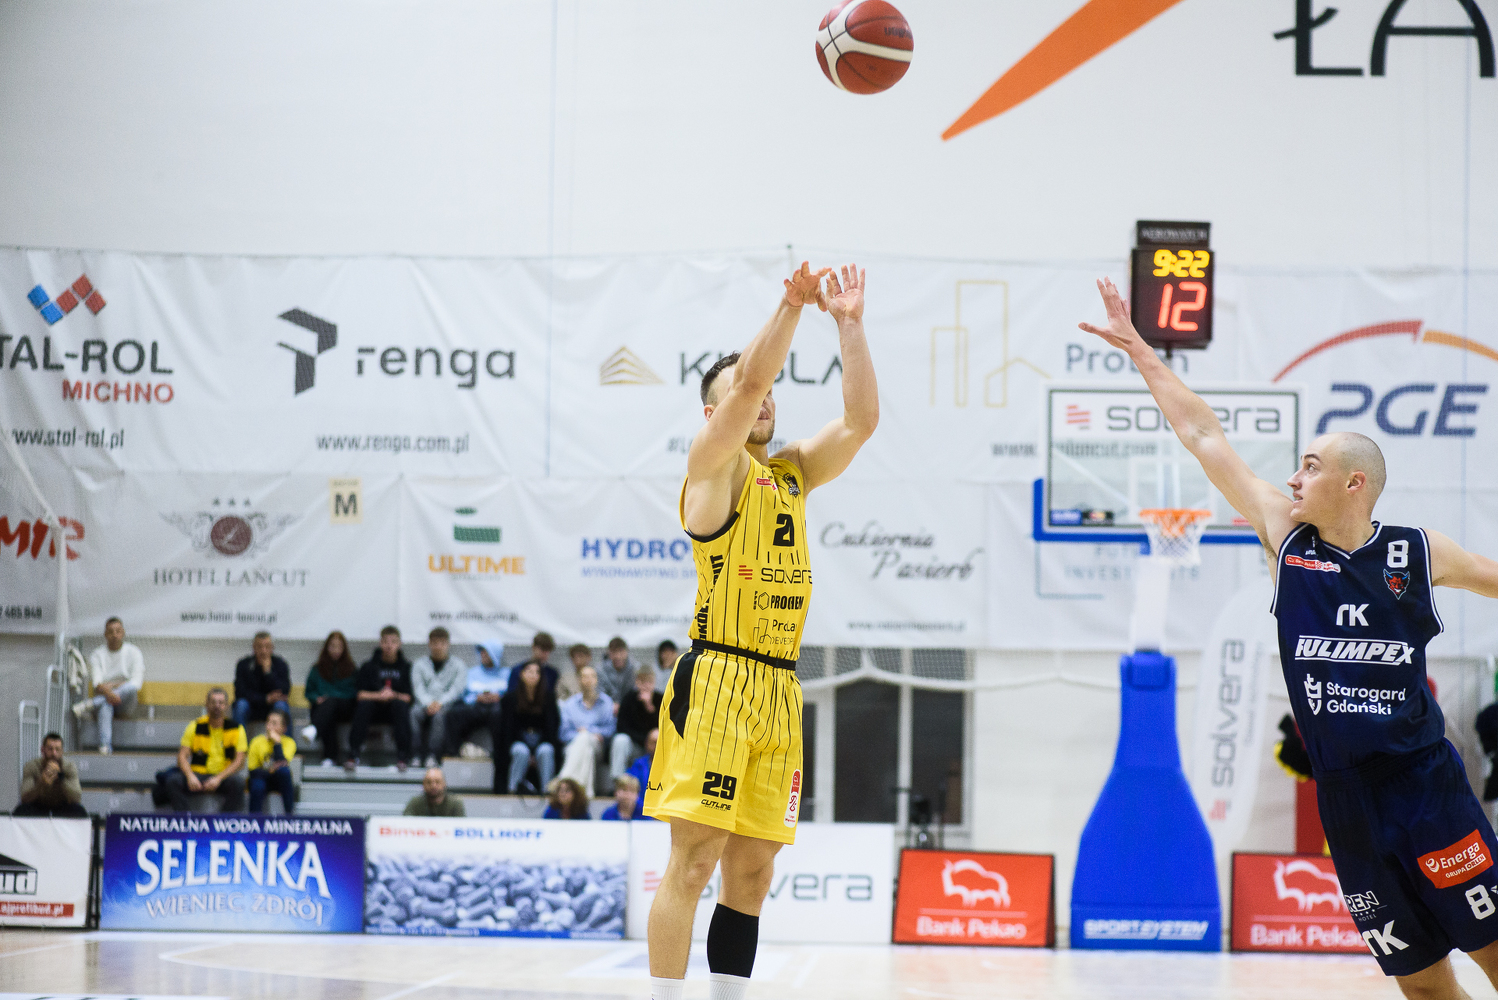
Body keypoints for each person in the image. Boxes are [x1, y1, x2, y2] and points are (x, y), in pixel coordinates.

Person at [1079, 277, 1498, 1000]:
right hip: (1347, 800)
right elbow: (1204, 435)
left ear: (1355, 483)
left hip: (1425, 787)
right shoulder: (1286, 538)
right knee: (1423, 987)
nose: (1294, 477)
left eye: (1311, 466)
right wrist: (1143, 353)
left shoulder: (1420, 552)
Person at [647, 262, 876, 1000]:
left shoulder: (792, 473)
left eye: (776, 392)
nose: (765, 398)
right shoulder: (711, 467)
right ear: (711, 414)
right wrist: (791, 306)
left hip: (779, 687)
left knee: (752, 872)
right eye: (750, 393)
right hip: (718, 678)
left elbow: (861, 423)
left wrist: (849, 326)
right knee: (694, 862)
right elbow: (746, 384)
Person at [165, 688, 248, 812]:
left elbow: (240, 761)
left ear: (226, 706)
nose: (217, 706)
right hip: (198, 775)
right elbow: (182, 756)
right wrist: (190, 776)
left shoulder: (237, 729)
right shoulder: (195, 726)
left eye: (221, 702)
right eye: (213, 702)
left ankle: (224, 820)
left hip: (223, 777)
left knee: (238, 783)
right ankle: (185, 819)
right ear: (207, 704)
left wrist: (218, 778)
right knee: (173, 781)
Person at [347, 625, 413, 773]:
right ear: (380, 643)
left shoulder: (406, 667)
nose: (389, 646)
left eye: (393, 642)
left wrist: (393, 695)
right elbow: (360, 694)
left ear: (399, 644)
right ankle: (353, 755)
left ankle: (403, 757)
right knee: (364, 705)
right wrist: (379, 695)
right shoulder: (369, 666)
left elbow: (408, 697)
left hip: (395, 712)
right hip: (373, 711)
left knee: (400, 705)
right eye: (385, 642)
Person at [75, 617, 144, 754]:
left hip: (126, 703)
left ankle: (92, 703)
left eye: (118, 631)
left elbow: (136, 683)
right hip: (105, 698)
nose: (115, 635)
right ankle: (105, 747)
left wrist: (111, 687)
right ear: (105, 634)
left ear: (123, 632)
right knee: (107, 704)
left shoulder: (134, 652)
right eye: (111, 632)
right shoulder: (97, 654)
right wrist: (112, 691)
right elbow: (97, 684)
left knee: (130, 688)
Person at [498, 661, 561, 794]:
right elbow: (508, 729)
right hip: (518, 741)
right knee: (521, 751)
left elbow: (552, 728)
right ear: (522, 674)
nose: (533, 675)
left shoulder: (549, 698)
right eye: (529, 671)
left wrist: (535, 752)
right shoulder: (510, 698)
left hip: (542, 741)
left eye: (537, 672)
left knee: (546, 750)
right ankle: (513, 790)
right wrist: (529, 753)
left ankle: (547, 791)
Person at [408, 627, 468, 768]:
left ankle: (433, 755)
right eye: (435, 643)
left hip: (447, 705)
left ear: (448, 644)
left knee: (439, 716)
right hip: (424, 704)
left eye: (442, 643)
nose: (438, 647)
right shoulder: (419, 664)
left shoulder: (458, 665)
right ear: (429, 644)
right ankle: (415, 755)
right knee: (413, 713)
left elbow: (456, 689)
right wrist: (428, 703)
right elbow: (418, 688)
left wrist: (440, 703)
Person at [558, 661, 616, 794]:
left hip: (599, 747)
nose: (588, 680)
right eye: (584, 676)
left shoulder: (606, 702)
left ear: (596, 680)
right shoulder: (570, 704)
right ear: (579, 680)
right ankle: (586, 792)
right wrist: (583, 735)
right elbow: (563, 734)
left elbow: (611, 729)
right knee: (586, 749)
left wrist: (589, 732)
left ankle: (564, 779)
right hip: (573, 746)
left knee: (586, 739)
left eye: (592, 676)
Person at [444, 642, 510, 758]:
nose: (483, 655)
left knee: (499, 715)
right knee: (453, 714)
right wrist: (476, 697)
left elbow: (511, 694)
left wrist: (500, 697)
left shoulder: (506, 673)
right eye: (481, 652)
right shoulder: (472, 672)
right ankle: (452, 752)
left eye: (486, 653)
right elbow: (463, 694)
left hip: (497, 707)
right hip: (476, 706)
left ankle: (500, 755)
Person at [305, 630, 359, 766]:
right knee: (326, 710)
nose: (336, 650)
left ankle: (314, 729)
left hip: (345, 708)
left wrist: (330, 698)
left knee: (330, 703)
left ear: (344, 648)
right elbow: (309, 692)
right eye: (332, 646)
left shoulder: (351, 668)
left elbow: (354, 692)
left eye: (339, 646)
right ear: (327, 647)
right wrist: (316, 698)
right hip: (324, 708)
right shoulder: (317, 669)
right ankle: (330, 758)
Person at [14, 733, 86, 818]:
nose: (54, 753)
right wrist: (42, 782)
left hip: (61, 806)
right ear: (43, 750)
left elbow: (76, 797)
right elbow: (24, 798)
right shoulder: (32, 766)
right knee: (21, 810)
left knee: (79, 811)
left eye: (57, 749)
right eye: (50, 749)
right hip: (39, 806)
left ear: (62, 751)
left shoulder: (69, 767)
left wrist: (60, 778)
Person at [232, 631, 291, 729]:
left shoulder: (280, 664)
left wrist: (268, 673)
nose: (263, 651)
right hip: (252, 706)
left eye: (267, 647)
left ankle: (284, 739)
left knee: (282, 705)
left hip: (272, 708)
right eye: (259, 647)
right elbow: (240, 692)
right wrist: (265, 699)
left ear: (272, 648)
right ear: (254, 648)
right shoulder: (243, 664)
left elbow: (284, 691)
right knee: (240, 705)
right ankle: (238, 738)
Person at [613, 665, 662, 781]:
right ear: (636, 682)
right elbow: (621, 727)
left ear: (654, 682)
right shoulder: (629, 698)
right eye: (642, 682)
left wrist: (649, 707)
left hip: (656, 744)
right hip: (635, 744)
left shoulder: (660, 699)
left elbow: (664, 726)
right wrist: (643, 740)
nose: (645, 686)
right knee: (620, 740)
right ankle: (618, 781)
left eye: (649, 682)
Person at [246, 708, 297, 814]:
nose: (269, 726)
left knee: (284, 772)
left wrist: (277, 743)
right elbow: (252, 771)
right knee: (257, 785)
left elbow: (282, 763)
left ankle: (289, 815)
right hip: (260, 778)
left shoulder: (289, 742)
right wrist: (272, 770)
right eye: (268, 722)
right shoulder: (256, 741)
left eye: (274, 723)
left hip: (278, 780)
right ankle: (254, 819)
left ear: (284, 728)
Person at [505, 632, 561, 698]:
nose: (545, 653)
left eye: (548, 651)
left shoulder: (552, 673)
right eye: (543, 649)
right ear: (534, 647)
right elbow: (511, 694)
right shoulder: (518, 670)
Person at [596, 636, 637, 709]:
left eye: (621, 651)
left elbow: (636, 691)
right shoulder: (600, 670)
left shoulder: (635, 669)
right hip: (607, 709)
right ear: (609, 653)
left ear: (627, 652)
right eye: (614, 652)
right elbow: (600, 692)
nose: (617, 656)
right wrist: (611, 704)